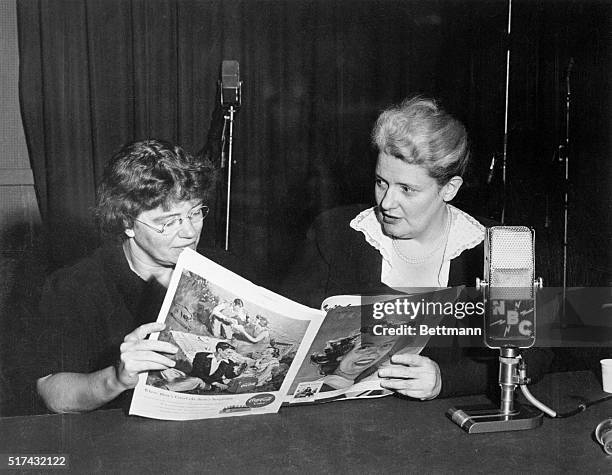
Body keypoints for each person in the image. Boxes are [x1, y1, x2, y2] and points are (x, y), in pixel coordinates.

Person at [285, 96, 552, 400]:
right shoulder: (335, 233)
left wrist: (446, 381)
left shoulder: (496, 247)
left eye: (407, 190)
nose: (386, 202)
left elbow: (538, 354)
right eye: (381, 182)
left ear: (449, 189)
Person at [33, 139, 215, 413]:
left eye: (195, 213)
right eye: (169, 221)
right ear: (128, 223)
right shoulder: (74, 287)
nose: (190, 232)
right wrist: (116, 379)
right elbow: (52, 393)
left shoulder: (219, 270)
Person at [311, 329, 399, 390]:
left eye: (384, 346)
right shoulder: (324, 386)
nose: (374, 354)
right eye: (364, 347)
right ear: (341, 354)